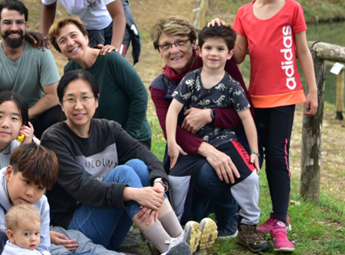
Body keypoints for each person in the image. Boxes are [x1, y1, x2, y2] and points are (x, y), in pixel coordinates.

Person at [212, 0, 318, 253]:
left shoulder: (292, 9)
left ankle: (280, 221)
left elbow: (303, 51)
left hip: (285, 95)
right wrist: (225, 33)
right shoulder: (244, 13)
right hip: (254, 99)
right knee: (253, 156)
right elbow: (240, 56)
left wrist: (312, 90)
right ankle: (248, 216)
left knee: (278, 157)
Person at [40, 70, 212, 255]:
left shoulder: (109, 129)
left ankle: (179, 239)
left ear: (96, 100)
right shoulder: (54, 139)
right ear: (61, 104)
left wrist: (159, 181)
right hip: (76, 231)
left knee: (138, 166)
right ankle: (167, 247)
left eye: (85, 98)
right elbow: (83, 187)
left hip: (111, 228)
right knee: (124, 173)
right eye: (71, 99)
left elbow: (144, 154)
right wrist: (133, 193)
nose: (78, 106)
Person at [165, 25, 269, 253]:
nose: (214, 53)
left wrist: (254, 151)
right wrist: (172, 143)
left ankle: (248, 225)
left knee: (250, 177)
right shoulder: (191, 80)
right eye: (208, 48)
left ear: (229, 54)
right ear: (199, 51)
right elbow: (172, 111)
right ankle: (177, 228)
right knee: (174, 179)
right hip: (194, 145)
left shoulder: (232, 86)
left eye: (220, 49)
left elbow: (247, 119)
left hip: (225, 141)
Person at [148, 15, 249, 240]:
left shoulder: (217, 62)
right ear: (159, 52)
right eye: (166, 45)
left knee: (209, 174)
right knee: (187, 215)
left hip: (229, 141)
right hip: (190, 149)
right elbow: (171, 131)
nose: (174, 50)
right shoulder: (159, 86)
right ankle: (204, 208)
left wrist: (210, 115)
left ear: (195, 44)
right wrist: (207, 150)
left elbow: (243, 112)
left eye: (180, 42)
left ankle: (228, 214)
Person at [47, 16, 152, 148]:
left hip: (133, 137)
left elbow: (140, 95)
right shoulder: (70, 70)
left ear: (86, 38)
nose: (70, 42)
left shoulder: (110, 59)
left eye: (74, 35)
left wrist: (127, 137)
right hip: (101, 141)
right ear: (60, 50)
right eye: (62, 41)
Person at [0, 0, 62, 138]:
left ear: (26, 25)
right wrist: (14, 120)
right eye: (7, 22)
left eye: (19, 22)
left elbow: (54, 95)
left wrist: (25, 116)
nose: (14, 27)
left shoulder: (41, 52)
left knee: (61, 113)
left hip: (39, 115)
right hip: (6, 120)